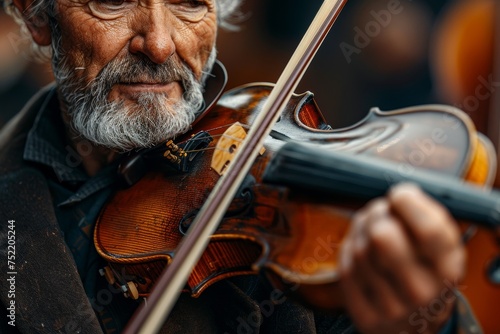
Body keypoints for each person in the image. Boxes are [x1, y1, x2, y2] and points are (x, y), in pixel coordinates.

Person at [0, 0, 481, 333]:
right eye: (113, 2)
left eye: (189, 3)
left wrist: (424, 322)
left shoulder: (289, 220)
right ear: (37, 14)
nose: (161, 44)